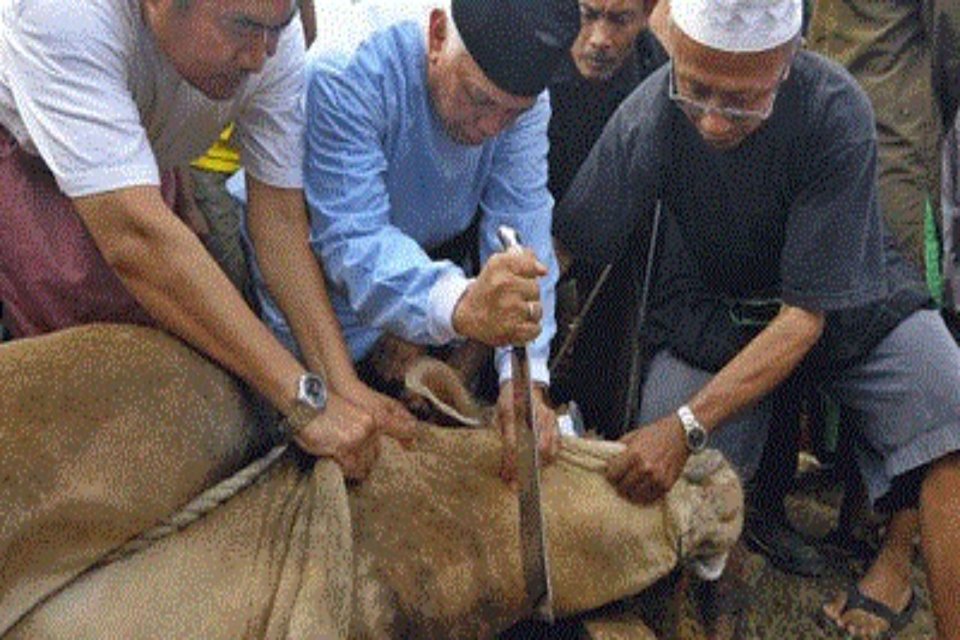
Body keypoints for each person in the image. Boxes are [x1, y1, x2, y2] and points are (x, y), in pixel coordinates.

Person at [553, 1, 960, 639]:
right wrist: (501, 348)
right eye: (697, 91)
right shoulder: (651, 109)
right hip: (714, 313)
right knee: (656, 484)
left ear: (790, 62)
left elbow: (805, 319)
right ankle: (714, 608)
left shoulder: (837, 107)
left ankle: (895, 565)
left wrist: (684, 424)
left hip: (841, 296)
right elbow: (567, 243)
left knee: (952, 406)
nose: (714, 121)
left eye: (743, 101)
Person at [0, 0, 415, 481]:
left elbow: (279, 220)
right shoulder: (64, 14)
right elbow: (135, 239)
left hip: (142, 154)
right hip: (31, 160)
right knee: (81, 403)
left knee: (182, 364)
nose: (260, 57)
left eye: (277, 30)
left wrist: (340, 384)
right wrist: (304, 402)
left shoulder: (268, 30)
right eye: (243, 27)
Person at [243, 0, 580, 482]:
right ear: (438, 35)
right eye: (479, 100)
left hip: (411, 316)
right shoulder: (350, 69)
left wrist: (524, 376)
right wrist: (460, 304)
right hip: (304, 314)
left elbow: (521, 224)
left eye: (511, 114)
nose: (490, 128)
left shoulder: (523, 104)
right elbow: (352, 239)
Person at [546, 0, 666, 439]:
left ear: (648, 12)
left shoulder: (658, 77)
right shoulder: (530, 48)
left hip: (614, 245)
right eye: (587, 14)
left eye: (620, 20)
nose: (600, 39)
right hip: (523, 216)